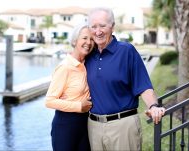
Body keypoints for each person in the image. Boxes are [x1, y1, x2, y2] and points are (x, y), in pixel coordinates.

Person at [85, 7, 166, 151]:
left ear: (112, 27)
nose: (98, 31)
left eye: (103, 26)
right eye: (94, 27)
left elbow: (143, 85)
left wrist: (153, 106)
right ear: (89, 29)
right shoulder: (88, 54)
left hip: (123, 126)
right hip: (94, 127)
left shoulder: (126, 51)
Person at [45, 22, 94, 151]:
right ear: (74, 40)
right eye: (84, 38)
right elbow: (49, 101)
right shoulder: (65, 67)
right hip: (65, 126)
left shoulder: (89, 64)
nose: (88, 42)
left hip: (85, 125)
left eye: (91, 39)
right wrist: (79, 106)